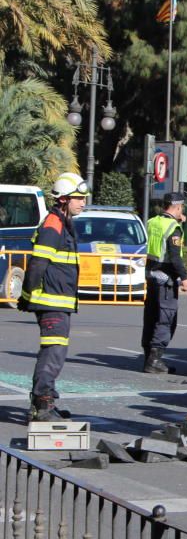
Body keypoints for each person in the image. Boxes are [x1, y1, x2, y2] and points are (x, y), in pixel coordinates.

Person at [18, 173, 89, 421]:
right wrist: (27, 295)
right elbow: (38, 263)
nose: (83, 202)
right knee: (54, 352)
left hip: (58, 300)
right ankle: (43, 402)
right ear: (63, 200)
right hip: (51, 300)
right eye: (78, 198)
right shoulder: (54, 224)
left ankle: (41, 402)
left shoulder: (62, 223)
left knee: (53, 351)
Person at [142, 192, 187, 374]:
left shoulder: (153, 222)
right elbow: (174, 256)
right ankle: (155, 360)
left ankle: (148, 356)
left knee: (152, 317)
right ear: (177, 206)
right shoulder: (173, 228)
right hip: (166, 278)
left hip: (151, 275)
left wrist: (178, 222)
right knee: (166, 319)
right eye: (182, 207)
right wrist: (185, 278)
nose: (182, 211)